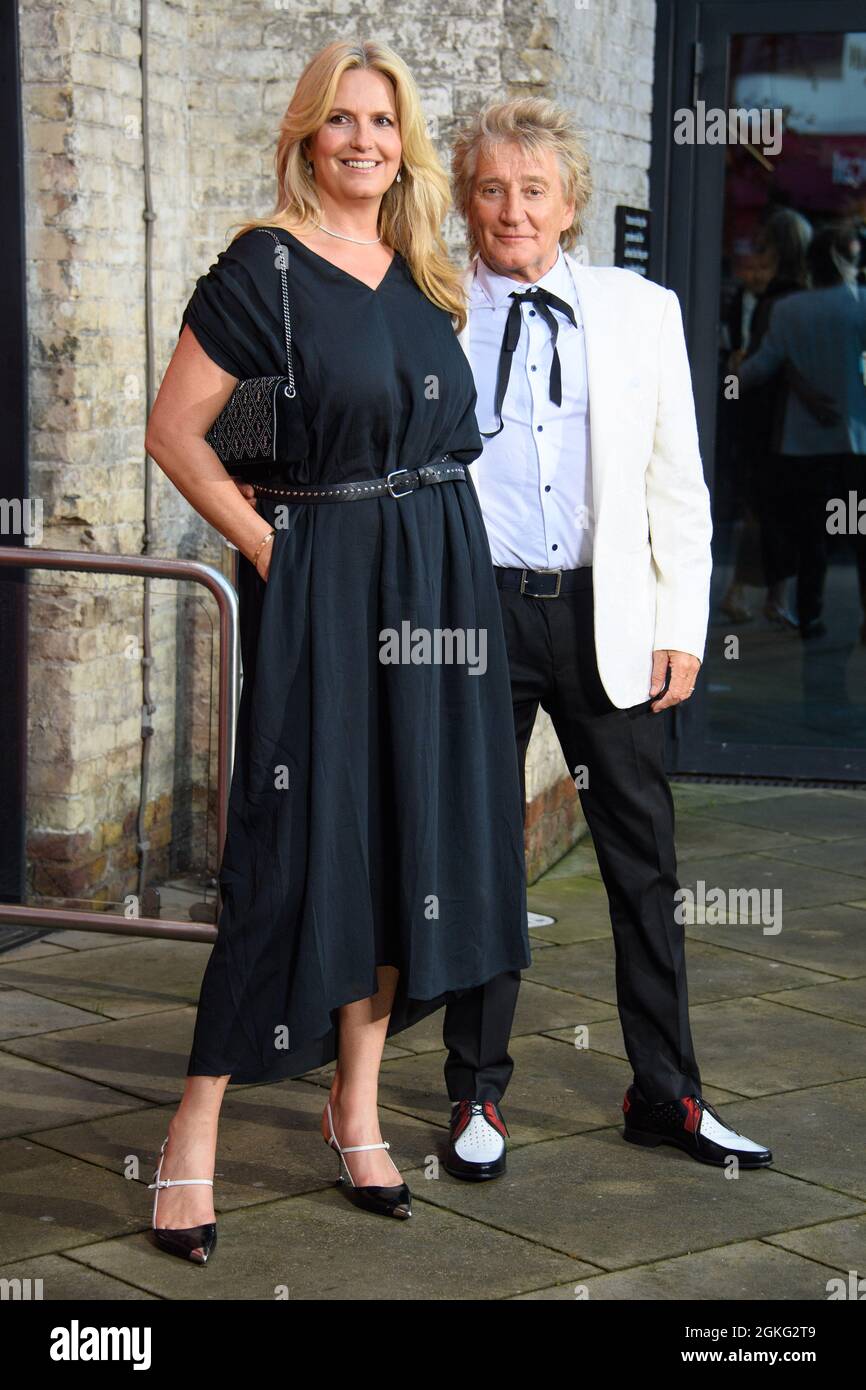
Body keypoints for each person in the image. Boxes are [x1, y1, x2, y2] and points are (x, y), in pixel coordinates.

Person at [143, 39, 529, 1261]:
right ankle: (191, 1131)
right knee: (289, 848)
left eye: (382, 121)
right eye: (341, 121)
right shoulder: (261, 266)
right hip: (326, 587)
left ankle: (355, 1110)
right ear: (308, 136)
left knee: (405, 836)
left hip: (440, 577)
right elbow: (178, 432)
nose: (363, 140)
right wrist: (269, 547)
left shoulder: (422, 268)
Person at [441, 96, 772, 1175]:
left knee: (641, 861)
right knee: (480, 854)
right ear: (463, 200)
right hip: (475, 613)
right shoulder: (430, 307)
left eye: (531, 189)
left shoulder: (639, 310)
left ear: (568, 203)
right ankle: (475, 1095)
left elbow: (677, 483)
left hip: (605, 611)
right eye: (489, 188)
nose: (510, 209)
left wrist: (681, 621)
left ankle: (665, 1094)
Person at [738, 223, 866, 642]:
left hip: (803, 446)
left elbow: (761, 367)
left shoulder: (790, 309)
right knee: (858, 533)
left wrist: (731, 372)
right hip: (854, 442)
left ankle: (809, 615)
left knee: (813, 536)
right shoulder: (858, 305)